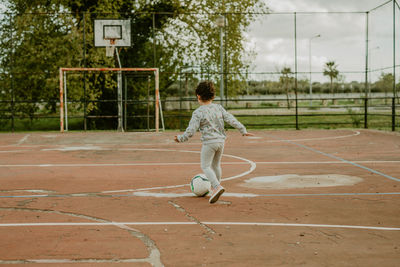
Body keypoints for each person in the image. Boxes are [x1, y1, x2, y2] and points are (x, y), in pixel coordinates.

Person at [174, 81, 253, 203]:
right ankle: (216, 187)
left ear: (198, 96)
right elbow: (230, 119)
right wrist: (243, 130)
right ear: (213, 96)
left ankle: (216, 187)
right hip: (221, 142)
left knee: (205, 166)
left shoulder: (198, 113)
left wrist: (180, 138)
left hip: (209, 143)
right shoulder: (219, 108)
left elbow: (191, 131)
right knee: (215, 165)